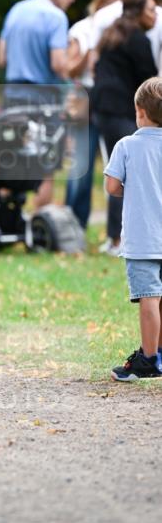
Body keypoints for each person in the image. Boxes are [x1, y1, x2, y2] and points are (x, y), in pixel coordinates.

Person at [0, 0, 73, 207]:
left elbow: (1, 58)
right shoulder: (56, 17)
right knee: (45, 163)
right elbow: (58, 63)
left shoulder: (16, 10)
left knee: (13, 157)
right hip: (44, 98)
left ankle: (4, 219)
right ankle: (39, 223)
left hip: (13, 94)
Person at [105, 77, 162, 381]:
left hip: (144, 239)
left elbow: (113, 186)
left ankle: (149, 360)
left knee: (149, 298)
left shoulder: (126, 145)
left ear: (140, 112)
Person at [93, 0, 158, 255]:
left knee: (117, 166)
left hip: (102, 107)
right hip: (123, 109)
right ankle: (120, 239)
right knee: (127, 171)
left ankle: (113, 236)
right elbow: (150, 84)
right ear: (139, 12)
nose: (154, 15)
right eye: (151, 10)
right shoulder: (138, 39)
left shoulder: (113, 32)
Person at [64, 0, 123, 228]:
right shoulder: (83, 29)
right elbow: (70, 68)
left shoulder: (122, 32)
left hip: (111, 97)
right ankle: (74, 223)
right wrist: (90, 51)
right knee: (81, 165)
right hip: (85, 96)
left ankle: (116, 228)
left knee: (116, 163)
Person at [89, 0, 162, 72]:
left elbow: (93, 57)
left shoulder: (103, 14)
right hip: (146, 85)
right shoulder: (159, 14)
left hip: (108, 83)